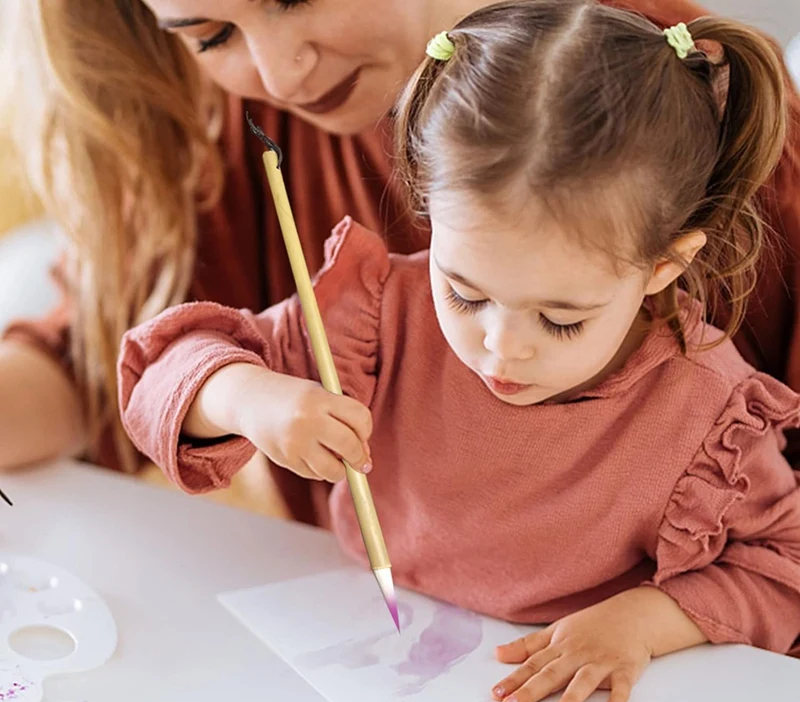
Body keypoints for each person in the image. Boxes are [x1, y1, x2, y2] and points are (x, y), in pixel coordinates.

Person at [117, 0, 800, 702]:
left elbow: (782, 570)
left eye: (561, 318)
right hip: (361, 660)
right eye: (466, 294)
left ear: (665, 265)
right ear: (428, 212)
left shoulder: (708, 413)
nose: (503, 348)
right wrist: (247, 398)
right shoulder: (379, 318)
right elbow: (159, 367)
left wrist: (646, 620)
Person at [0, 0, 799, 509]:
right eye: (211, 35)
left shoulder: (678, 113)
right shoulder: (240, 134)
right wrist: (241, 396)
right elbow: (112, 364)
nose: (278, 75)